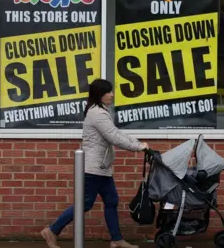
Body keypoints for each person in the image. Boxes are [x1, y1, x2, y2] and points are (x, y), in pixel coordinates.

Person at [40, 79, 149, 248]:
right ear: (100, 94)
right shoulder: (97, 113)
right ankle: (52, 230)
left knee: (111, 200)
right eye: (108, 92)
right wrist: (138, 147)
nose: (112, 95)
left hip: (102, 167)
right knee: (85, 203)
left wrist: (138, 142)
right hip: (93, 168)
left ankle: (116, 239)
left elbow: (116, 132)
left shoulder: (101, 111)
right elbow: (113, 137)